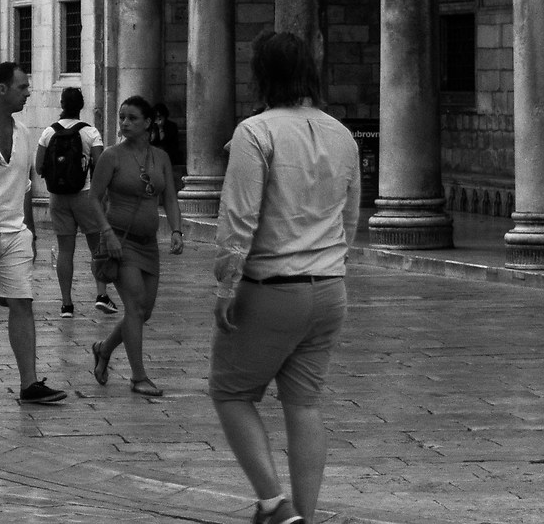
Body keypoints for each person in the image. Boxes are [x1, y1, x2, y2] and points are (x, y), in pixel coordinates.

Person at [208, 32, 361, 524]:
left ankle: (274, 503)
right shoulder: (342, 134)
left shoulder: (255, 132)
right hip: (329, 288)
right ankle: (304, 518)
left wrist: (228, 282)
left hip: (273, 286)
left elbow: (239, 216)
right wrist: (332, 259)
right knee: (304, 404)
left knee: (231, 392)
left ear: (262, 75)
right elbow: (349, 216)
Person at [0, 63, 63, 405]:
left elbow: (25, 185)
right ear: (1, 89)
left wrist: (31, 232)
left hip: (14, 232)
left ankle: (29, 382)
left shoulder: (25, 133)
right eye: (22, 87)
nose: (28, 92)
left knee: (23, 303)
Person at [86, 93, 185, 397]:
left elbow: (168, 196)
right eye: (122, 117)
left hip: (148, 244)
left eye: (132, 118)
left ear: (148, 123)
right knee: (134, 305)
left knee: (144, 311)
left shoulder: (160, 157)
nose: (125, 123)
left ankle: (103, 349)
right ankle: (138, 376)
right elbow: (94, 198)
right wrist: (107, 234)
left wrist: (176, 229)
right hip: (120, 241)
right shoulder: (111, 156)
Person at [35, 87, 111, 317]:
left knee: (65, 250)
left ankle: (66, 304)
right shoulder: (90, 132)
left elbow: (39, 167)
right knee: (96, 247)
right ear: (81, 105)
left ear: (61, 104)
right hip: (86, 195)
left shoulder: (49, 132)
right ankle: (101, 294)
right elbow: (101, 165)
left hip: (58, 197)